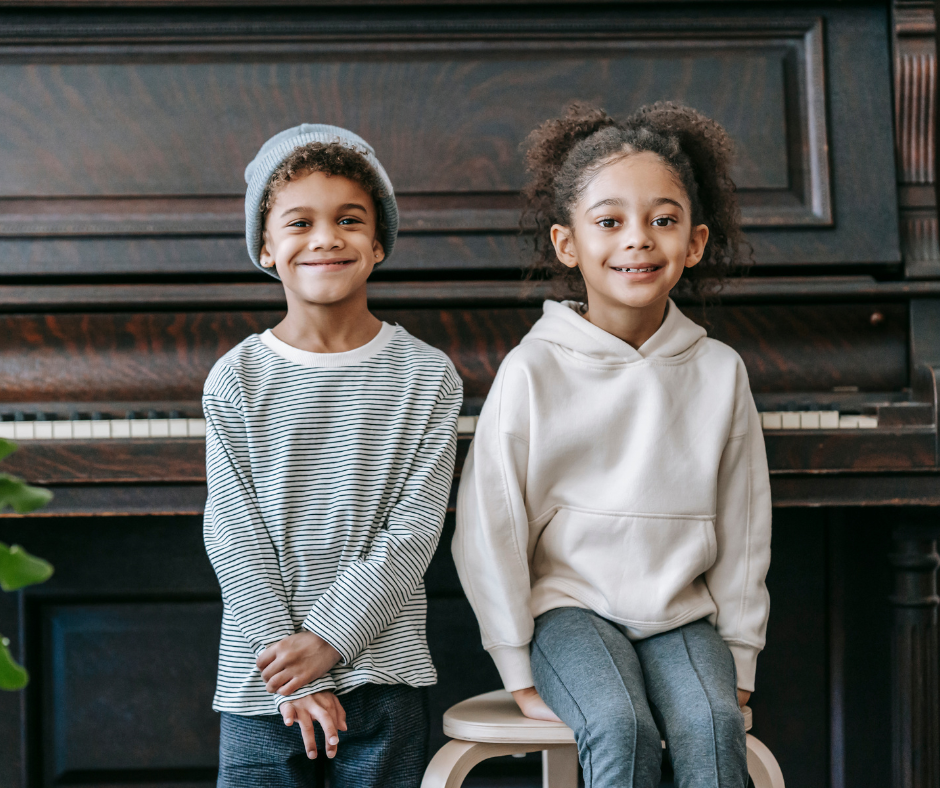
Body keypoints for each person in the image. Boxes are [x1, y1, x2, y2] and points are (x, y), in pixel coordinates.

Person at [453, 103, 771, 788]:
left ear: (696, 242)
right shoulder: (532, 370)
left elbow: (746, 533)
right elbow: (490, 528)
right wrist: (514, 659)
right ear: (568, 244)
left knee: (713, 727)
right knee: (619, 726)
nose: (639, 239)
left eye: (663, 219)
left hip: (680, 615)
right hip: (568, 613)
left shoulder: (719, 371)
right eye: (610, 222)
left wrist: (740, 659)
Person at [204, 124, 462, 788]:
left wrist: (330, 642)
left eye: (349, 220)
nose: (325, 238)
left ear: (377, 243)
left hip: (383, 673)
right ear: (266, 246)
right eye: (300, 222)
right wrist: (289, 669)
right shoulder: (235, 379)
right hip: (263, 680)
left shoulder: (427, 376)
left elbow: (412, 533)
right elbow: (234, 535)